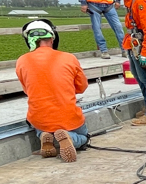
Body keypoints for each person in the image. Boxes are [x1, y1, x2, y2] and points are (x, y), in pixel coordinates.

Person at [14, 20, 90, 162]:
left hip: (40, 118)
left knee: (37, 122)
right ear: (52, 37)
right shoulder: (68, 58)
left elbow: (27, 90)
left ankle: (43, 135)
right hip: (69, 117)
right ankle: (70, 138)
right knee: (84, 137)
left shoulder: (21, 61)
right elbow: (82, 87)